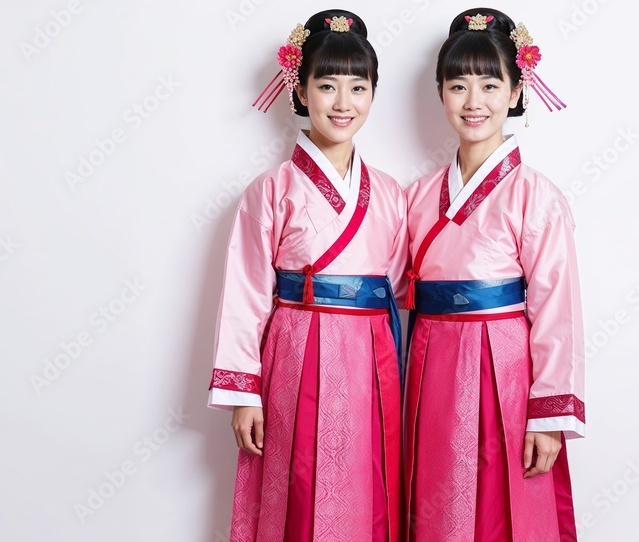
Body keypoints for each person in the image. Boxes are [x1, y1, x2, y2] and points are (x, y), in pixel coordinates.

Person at [208, 9, 408, 541]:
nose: (343, 103)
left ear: (372, 95)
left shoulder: (389, 193)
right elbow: (247, 294)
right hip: (297, 348)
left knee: (368, 481)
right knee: (298, 480)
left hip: (371, 354)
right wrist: (244, 393)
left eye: (357, 88)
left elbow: (400, 285)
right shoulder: (269, 191)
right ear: (299, 90)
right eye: (326, 86)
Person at [402, 8, 583, 541]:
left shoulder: (536, 195)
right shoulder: (417, 196)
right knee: (436, 500)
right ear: (440, 94)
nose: (473, 101)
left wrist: (548, 415)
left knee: (504, 504)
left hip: (505, 366)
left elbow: (557, 307)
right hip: (431, 360)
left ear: (514, 91)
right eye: (458, 85)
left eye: (489, 83)